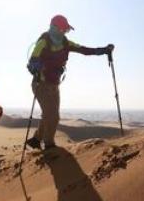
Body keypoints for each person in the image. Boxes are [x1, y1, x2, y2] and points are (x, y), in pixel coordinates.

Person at [26, 14, 114, 150]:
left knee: (48, 114)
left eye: (66, 30)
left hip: (54, 84)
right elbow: (32, 61)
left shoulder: (66, 43)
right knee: (53, 116)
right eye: (64, 29)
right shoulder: (44, 41)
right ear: (56, 28)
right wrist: (35, 68)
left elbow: (84, 50)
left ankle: (36, 140)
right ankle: (49, 145)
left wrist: (103, 50)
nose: (65, 32)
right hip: (40, 84)